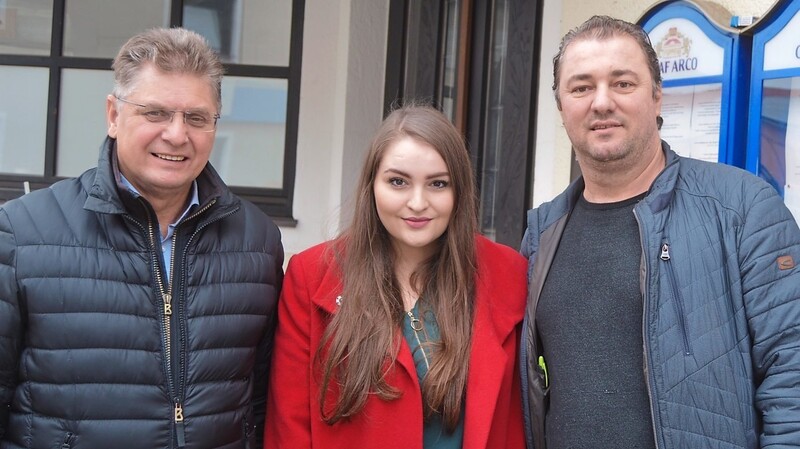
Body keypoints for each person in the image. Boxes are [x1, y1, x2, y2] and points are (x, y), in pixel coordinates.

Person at [520, 15, 800, 449]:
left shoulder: (742, 209)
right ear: (561, 107)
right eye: (581, 87)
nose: (601, 102)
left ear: (656, 96)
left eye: (623, 83)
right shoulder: (542, 232)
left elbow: (792, 374)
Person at [0, 28, 283, 448]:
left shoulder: (257, 240)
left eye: (196, 118)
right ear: (114, 116)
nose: (176, 134)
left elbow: (260, 401)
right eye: (155, 113)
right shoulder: (24, 232)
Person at [265, 105, 527, 448]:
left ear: (458, 191)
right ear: (372, 185)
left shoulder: (507, 273)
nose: (417, 203)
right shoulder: (313, 276)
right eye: (398, 182)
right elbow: (289, 428)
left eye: (437, 183)